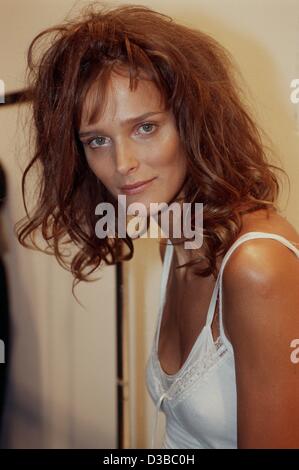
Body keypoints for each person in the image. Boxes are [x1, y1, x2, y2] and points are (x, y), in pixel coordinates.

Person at [15, 4, 299, 448]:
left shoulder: (256, 266)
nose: (122, 165)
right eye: (98, 140)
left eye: (145, 127)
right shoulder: (175, 241)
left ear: (193, 123)